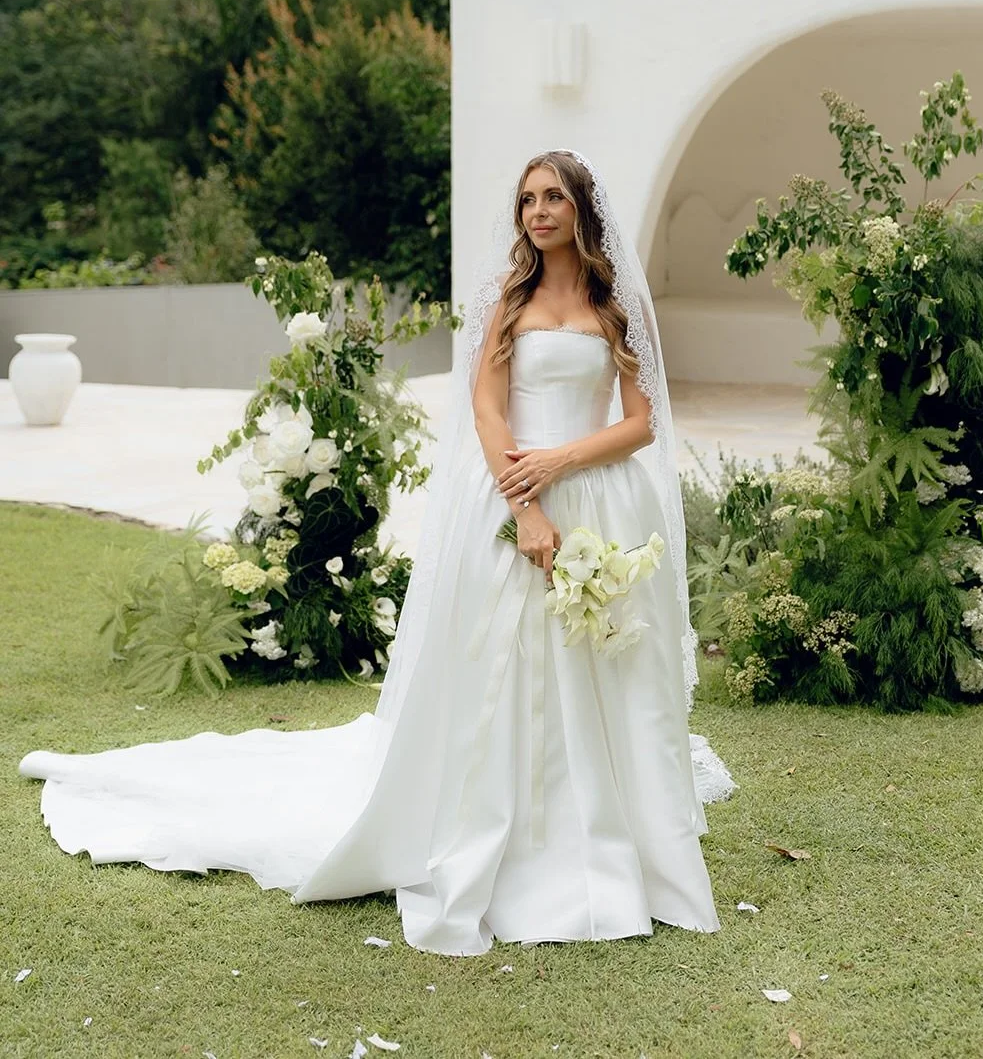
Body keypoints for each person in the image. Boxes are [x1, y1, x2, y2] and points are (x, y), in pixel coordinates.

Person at [19, 148, 733, 955]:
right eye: (527, 199)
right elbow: (487, 412)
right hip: (509, 497)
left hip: (600, 497)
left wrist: (565, 461)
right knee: (506, 666)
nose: (537, 212)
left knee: (604, 663)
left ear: (581, 211)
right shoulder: (506, 298)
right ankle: (515, 831)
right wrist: (527, 508)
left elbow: (640, 422)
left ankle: (611, 829)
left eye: (553, 198)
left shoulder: (615, 307)